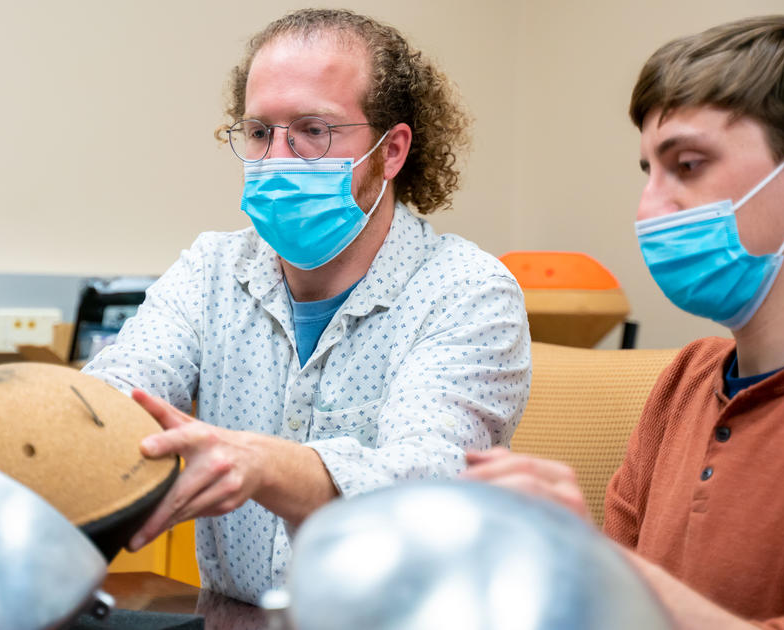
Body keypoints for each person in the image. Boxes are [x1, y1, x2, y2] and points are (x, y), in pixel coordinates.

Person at [463, 14, 784, 628]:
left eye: (686, 165)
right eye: (647, 172)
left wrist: (600, 566)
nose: (649, 207)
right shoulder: (687, 379)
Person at [83, 8, 530, 603]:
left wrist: (264, 465)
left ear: (391, 150)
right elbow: (115, 396)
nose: (277, 159)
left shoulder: (467, 291)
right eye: (260, 132)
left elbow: (428, 477)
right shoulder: (212, 270)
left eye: (313, 131)